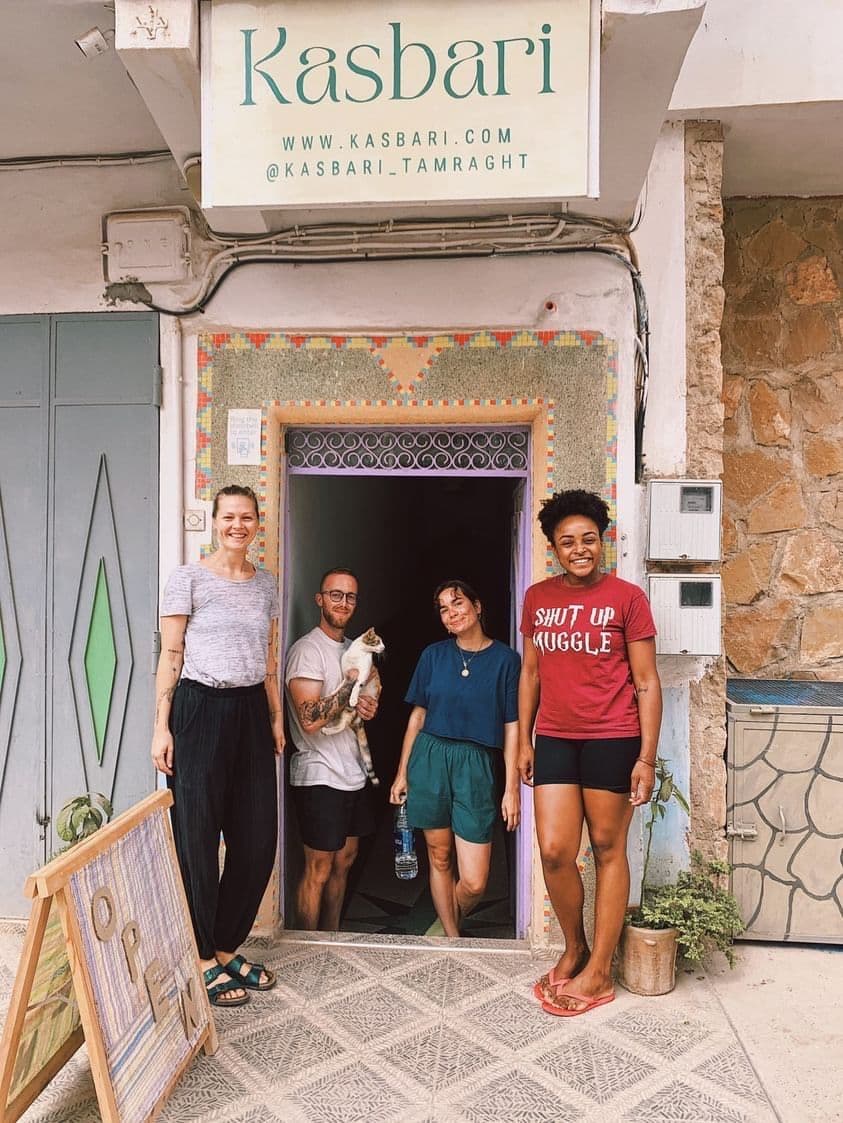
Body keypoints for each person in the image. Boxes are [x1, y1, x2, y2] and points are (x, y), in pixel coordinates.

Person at [518, 489, 662, 1016]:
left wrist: (646, 757)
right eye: (566, 542)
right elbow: (530, 672)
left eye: (588, 539)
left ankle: (600, 970)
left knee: (606, 847)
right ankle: (574, 946)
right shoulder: (537, 598)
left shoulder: (627, 598)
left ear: (602, 540)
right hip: (555, 735)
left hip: (613, 736)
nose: (579, 549)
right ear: (553, 548)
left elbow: (646, 683)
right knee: (556, 850)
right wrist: (525, 741)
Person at [151, 484, 285, 1009]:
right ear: (214, 521)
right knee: (197, 837)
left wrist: (274, 720)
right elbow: (170, 653)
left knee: (257, 840)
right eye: (228, 517)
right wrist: (161, 727)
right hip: (198, 710)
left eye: (246, 517)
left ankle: (228, 944)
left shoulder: (266, 584)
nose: (238, 525)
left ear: (257, 523)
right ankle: (201, 956)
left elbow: (269, 659)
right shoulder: (186, 578)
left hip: (251, 712)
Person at [390, 579, 521, 937]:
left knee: (475, 881)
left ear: (477, 606)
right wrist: (402, 773)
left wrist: (512, 788)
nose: (452, 613)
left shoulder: (507, 660)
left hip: (476, 765)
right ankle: (451, 936)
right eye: (444, 609)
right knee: (439, 856)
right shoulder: (433, 655)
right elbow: (417, 716)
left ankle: (450, 916)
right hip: (430, 758)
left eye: (458, 603)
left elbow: (512, 726)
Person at [285, 568, 379, 930]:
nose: (343, 602)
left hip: (352, 771)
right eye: (335, 594)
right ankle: (310, 944)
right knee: (319, 867)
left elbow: (366, 697)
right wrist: (351, 686)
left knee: (345, 860)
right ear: (319, 599)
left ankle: (332, 935)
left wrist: (368, 704)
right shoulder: (307, 651)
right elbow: (309, 719)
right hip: (319, 773)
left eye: (350, 596)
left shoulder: (354, 649)